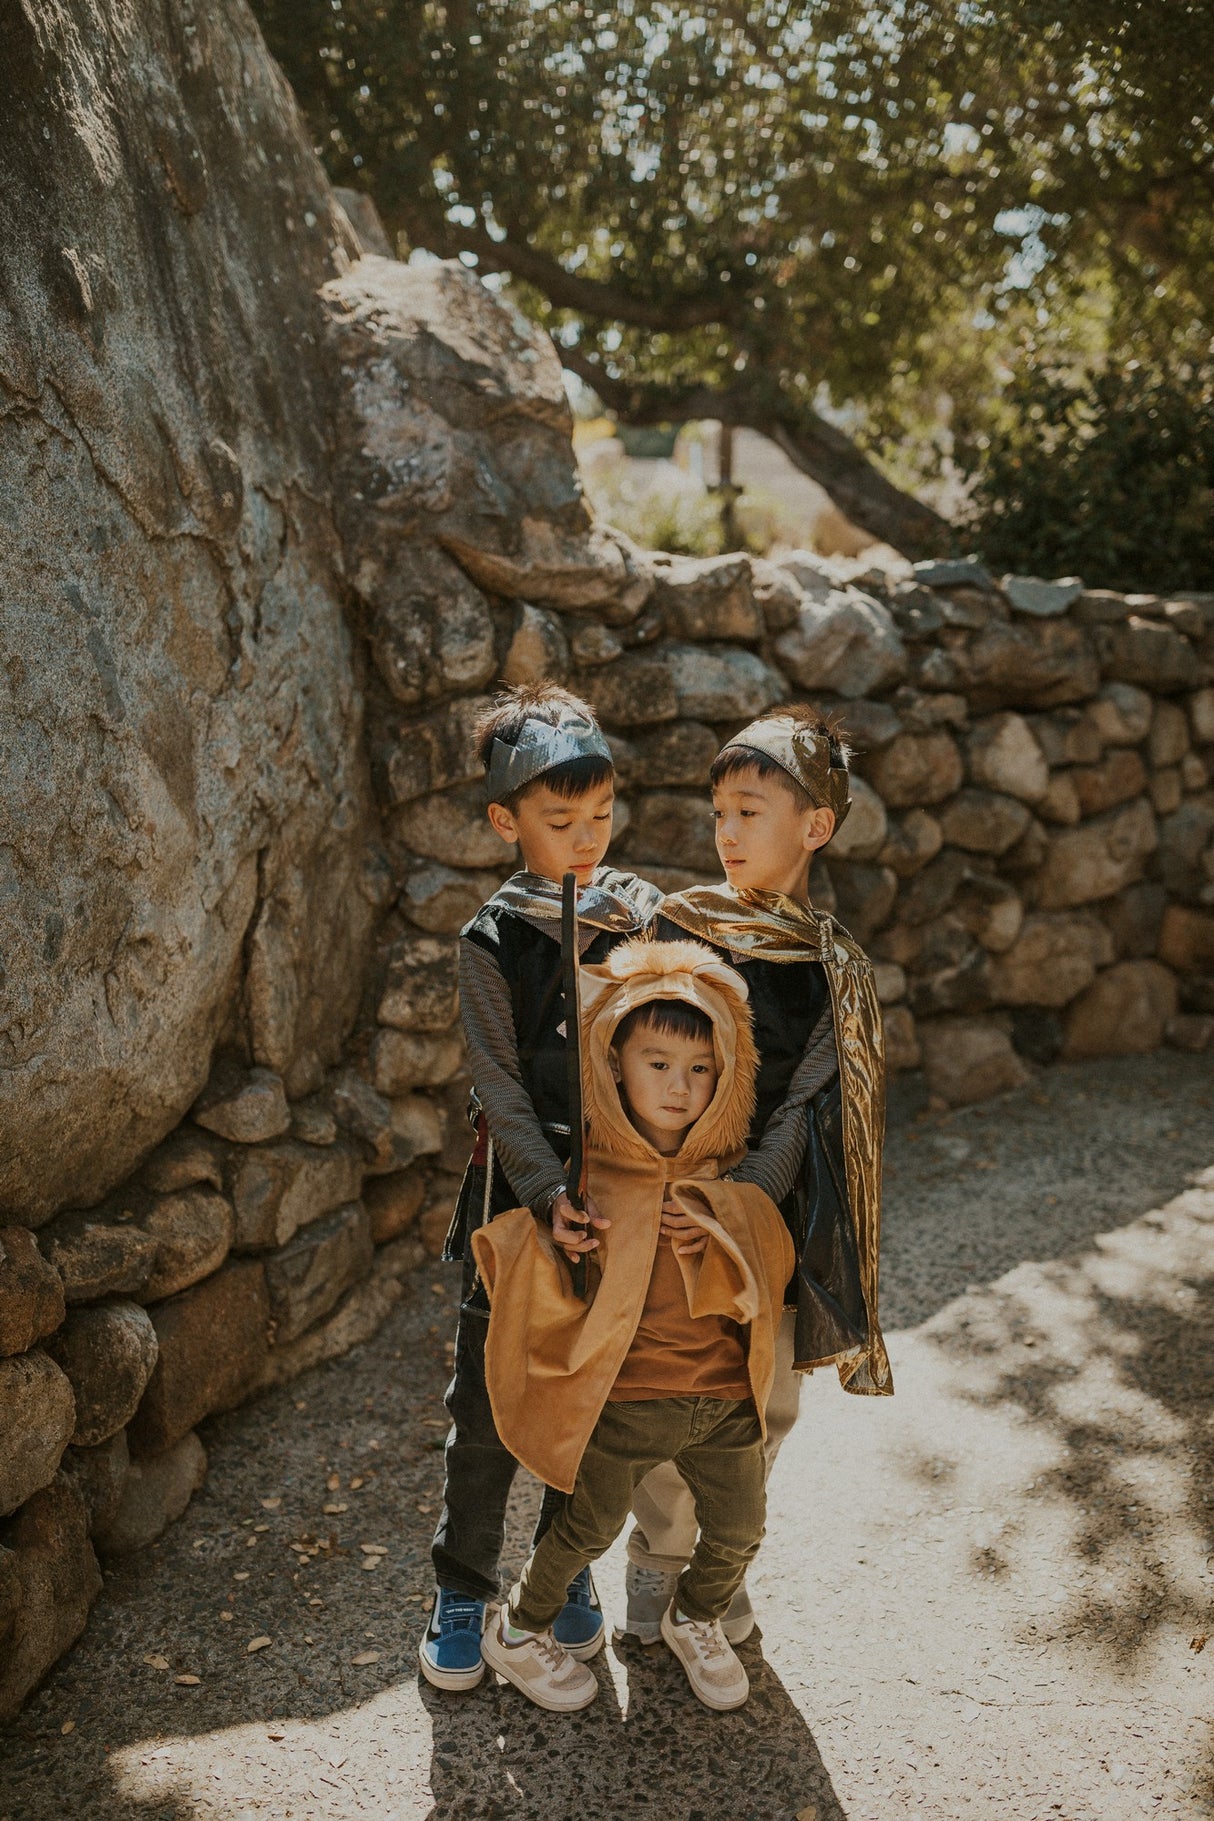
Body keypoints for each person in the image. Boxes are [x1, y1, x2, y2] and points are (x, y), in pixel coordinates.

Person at [621, 704, 893, 1647]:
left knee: (762, 1399)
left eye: (750, 810)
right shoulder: (680, 925)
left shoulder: (834, 967)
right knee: (663, 1385)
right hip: (667, 1202)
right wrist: (678, 1193)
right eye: (719, 812)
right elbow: (634, 1059)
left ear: (815, 825)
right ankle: (656, 1561)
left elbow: (812, 1101)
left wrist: (742, 1203)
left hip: (767, 1213)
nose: (727, 832)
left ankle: (719, 1564)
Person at [472, 938, 794, 1712]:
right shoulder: (588, 1180)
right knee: (585, 1529)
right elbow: (532, 1265)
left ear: (725, 1074)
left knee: (742, 1528)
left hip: (722, 1404)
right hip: (628, 1404)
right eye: (658, 1063)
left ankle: (695, 1614)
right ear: (614, 1062)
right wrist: (556, 1228)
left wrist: (726, 1224)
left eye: (699, 1068)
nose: (679, 1087)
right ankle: (519, 1629)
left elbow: (770, 1266)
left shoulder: (731, 1178)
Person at [419, 683, 662, 1692]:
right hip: (515, 1209)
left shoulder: (638, 915)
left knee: (590, 1400)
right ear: (503, 822)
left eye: (600, 816)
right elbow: (500, 1087)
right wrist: (541, 1191)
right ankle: (462, 1587)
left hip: (619, 1201)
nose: (584, 839)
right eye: (559, 822)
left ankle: (563, 1576)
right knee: (484, 1407)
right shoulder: (489, 940)